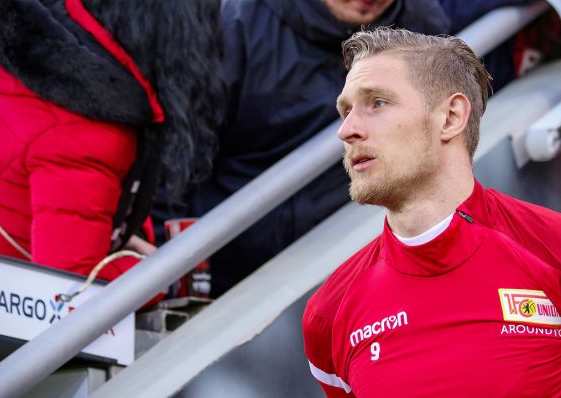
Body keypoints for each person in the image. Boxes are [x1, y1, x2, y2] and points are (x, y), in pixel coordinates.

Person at [302, 28, 561, 397]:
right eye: (345, 111)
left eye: (377, 102)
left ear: (450, 117)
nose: (347, 130)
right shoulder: (328, 315)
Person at [151, 0, 452, 298]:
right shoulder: (235, 27)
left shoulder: (420, 25)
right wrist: (165, 265)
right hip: (239, 280)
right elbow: (174, 160)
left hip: (372, 265)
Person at [0, 0, 222, 281]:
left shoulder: (16, 41)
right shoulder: (87, 131)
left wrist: (122, 234)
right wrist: (155, 274)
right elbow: (70, 289)